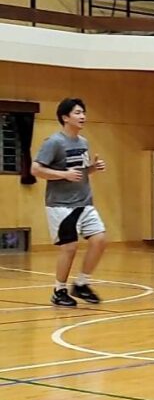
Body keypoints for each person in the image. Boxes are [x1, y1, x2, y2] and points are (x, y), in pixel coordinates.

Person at [30, 98, 108, 307]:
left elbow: (80, 172)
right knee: (69, 247)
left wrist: (93, 168)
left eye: (83, 112)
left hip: (85, 201)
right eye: (77, 112)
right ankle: (59, 290)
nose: (82, 116)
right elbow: (36, 169)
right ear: (65, 117)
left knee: (99, 240)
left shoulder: (83, 142)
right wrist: (63, 174)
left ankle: (82, 283)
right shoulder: (54, 142)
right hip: (61, 205)